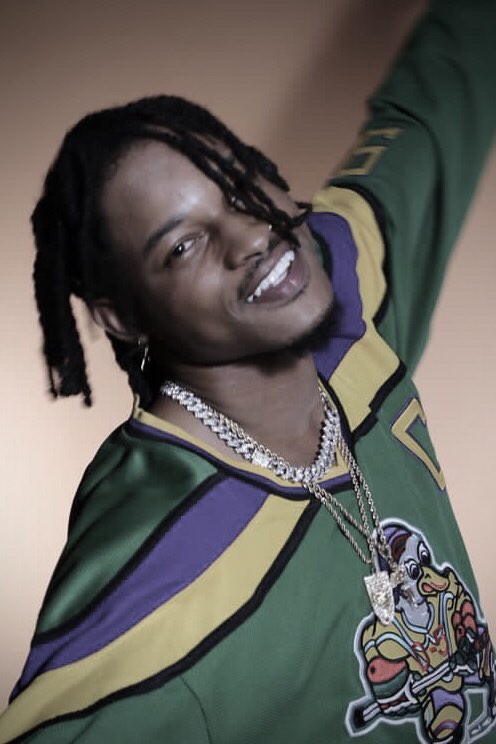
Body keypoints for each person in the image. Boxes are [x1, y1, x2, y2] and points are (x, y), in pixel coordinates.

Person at [1, 0, 495, 742]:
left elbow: (439, 100)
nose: (252, 235)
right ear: (122, 317)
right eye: (184, 245)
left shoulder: (341, 280)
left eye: (238, 186)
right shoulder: (160, 571)